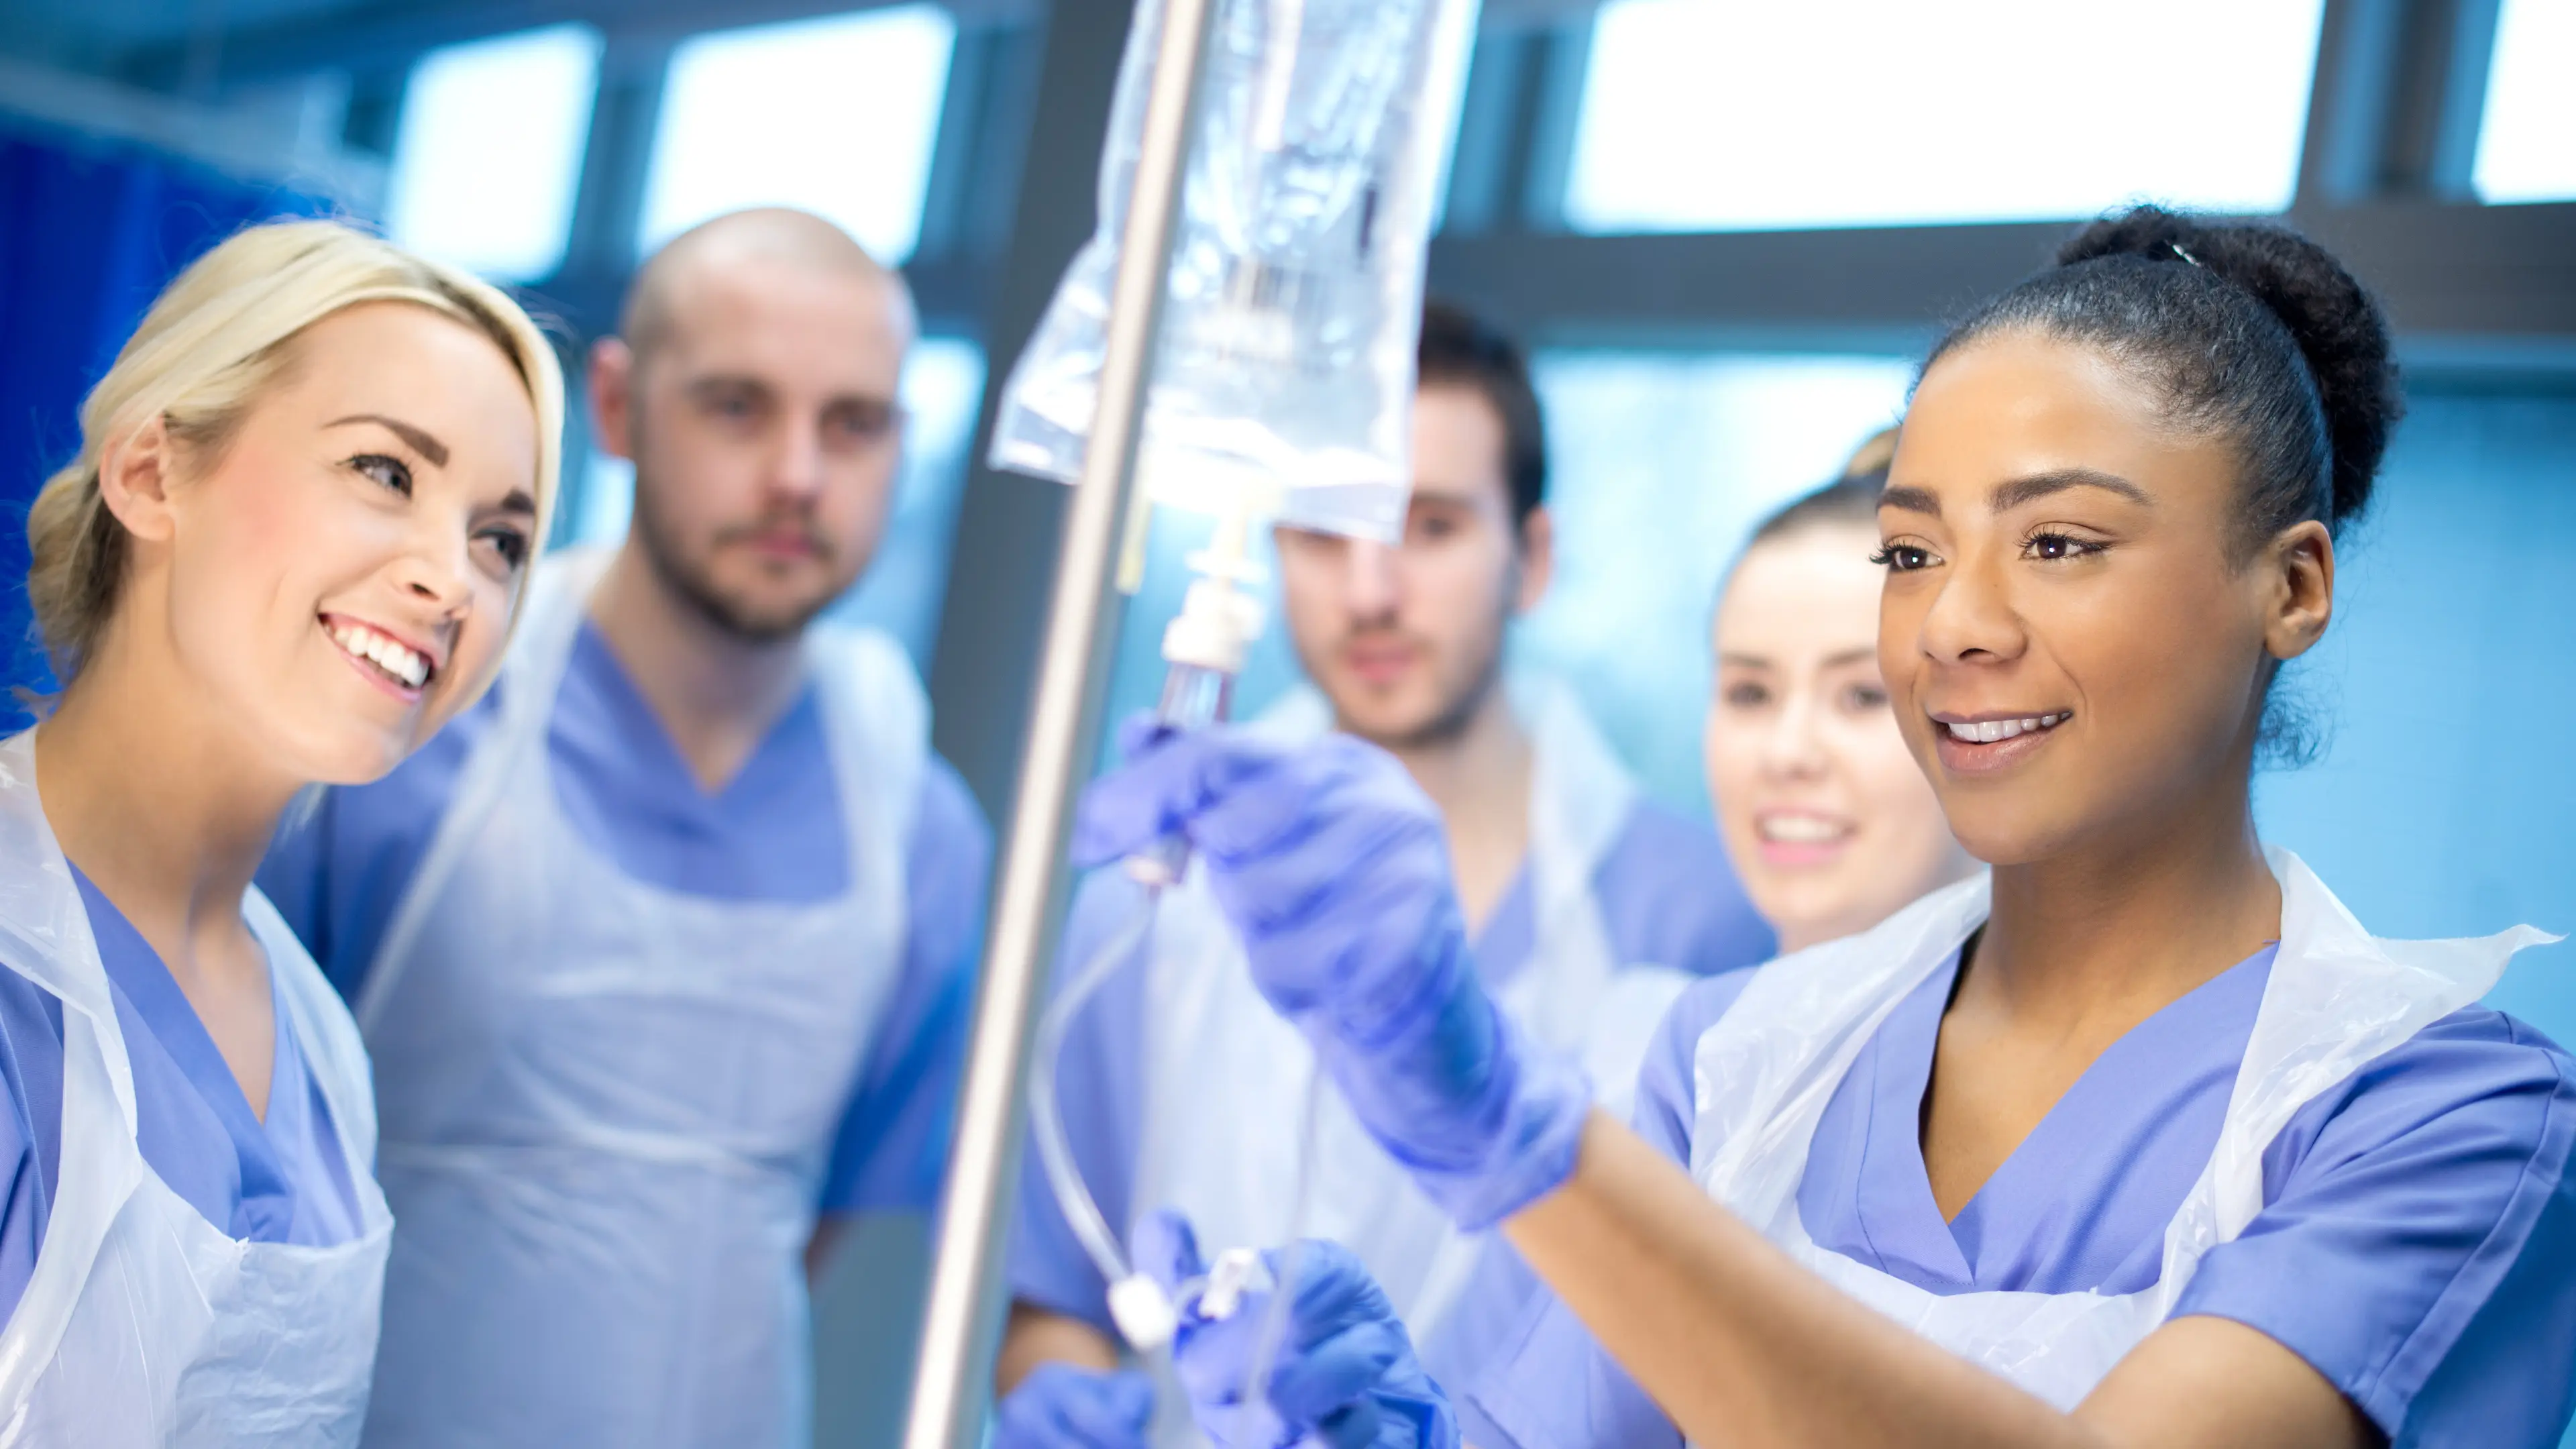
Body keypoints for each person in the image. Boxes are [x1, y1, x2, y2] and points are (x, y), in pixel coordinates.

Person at [1078, 207, 2576, 1448]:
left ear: (2293, 587)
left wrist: (1513, 1146)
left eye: (2059, 542)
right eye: (1912, 550)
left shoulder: (2440, 1123)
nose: (1955, 626)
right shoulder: (1737, 1060)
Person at [256, 207, 992, 1448]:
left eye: (854, 425)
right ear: (616, 406)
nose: (799, 476)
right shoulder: (408, 725)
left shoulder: (920, 832)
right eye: (738, 407)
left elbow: (807, 1224)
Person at [994, 302, 1774, 1447]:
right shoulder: (1150, 906)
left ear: (1533, 558)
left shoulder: (1696, 917)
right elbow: (1057, 1298)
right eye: (1321, 532)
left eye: (1429, 526)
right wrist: (1056, 1403)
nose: (1370, 591)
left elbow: (1729, 1354)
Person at [0, 219, 560, 1445]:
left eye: (500, 539)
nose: (453, 581)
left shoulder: (319, 1050)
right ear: (152, 472)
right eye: (385, 472)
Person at [1421, 452, 1984, 1389]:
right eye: (1750, 694)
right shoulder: (1632, 1057)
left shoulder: (2037, 1097)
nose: (1787, 753)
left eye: (1860, 696)